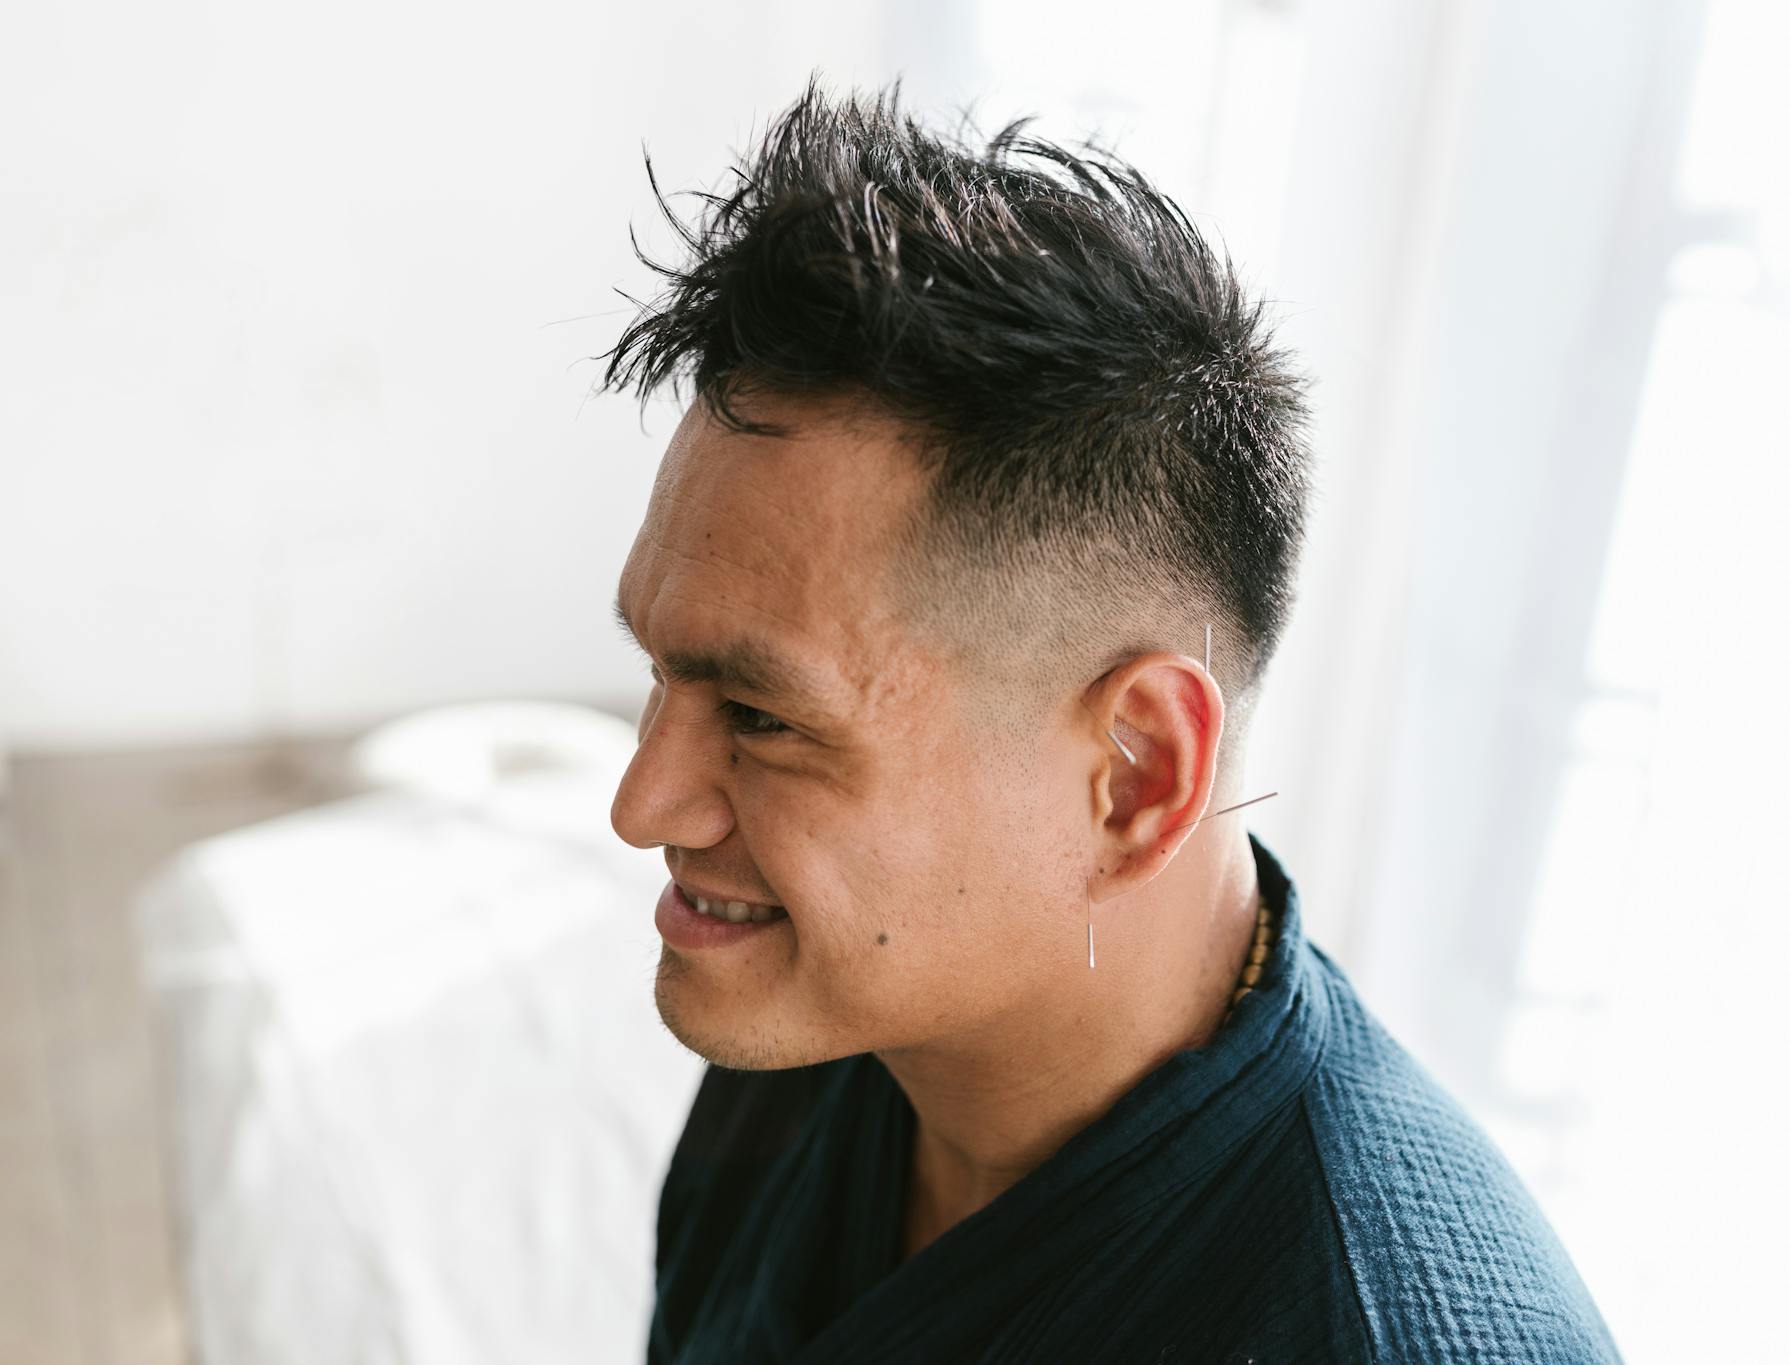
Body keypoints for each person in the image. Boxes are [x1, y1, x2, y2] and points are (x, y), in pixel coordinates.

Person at [603, 74, 1621, 1364]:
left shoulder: (1369, 1331)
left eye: (760, 715)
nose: (642, 803)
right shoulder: (817, 1042)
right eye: (661, 673)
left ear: (1134, 776)